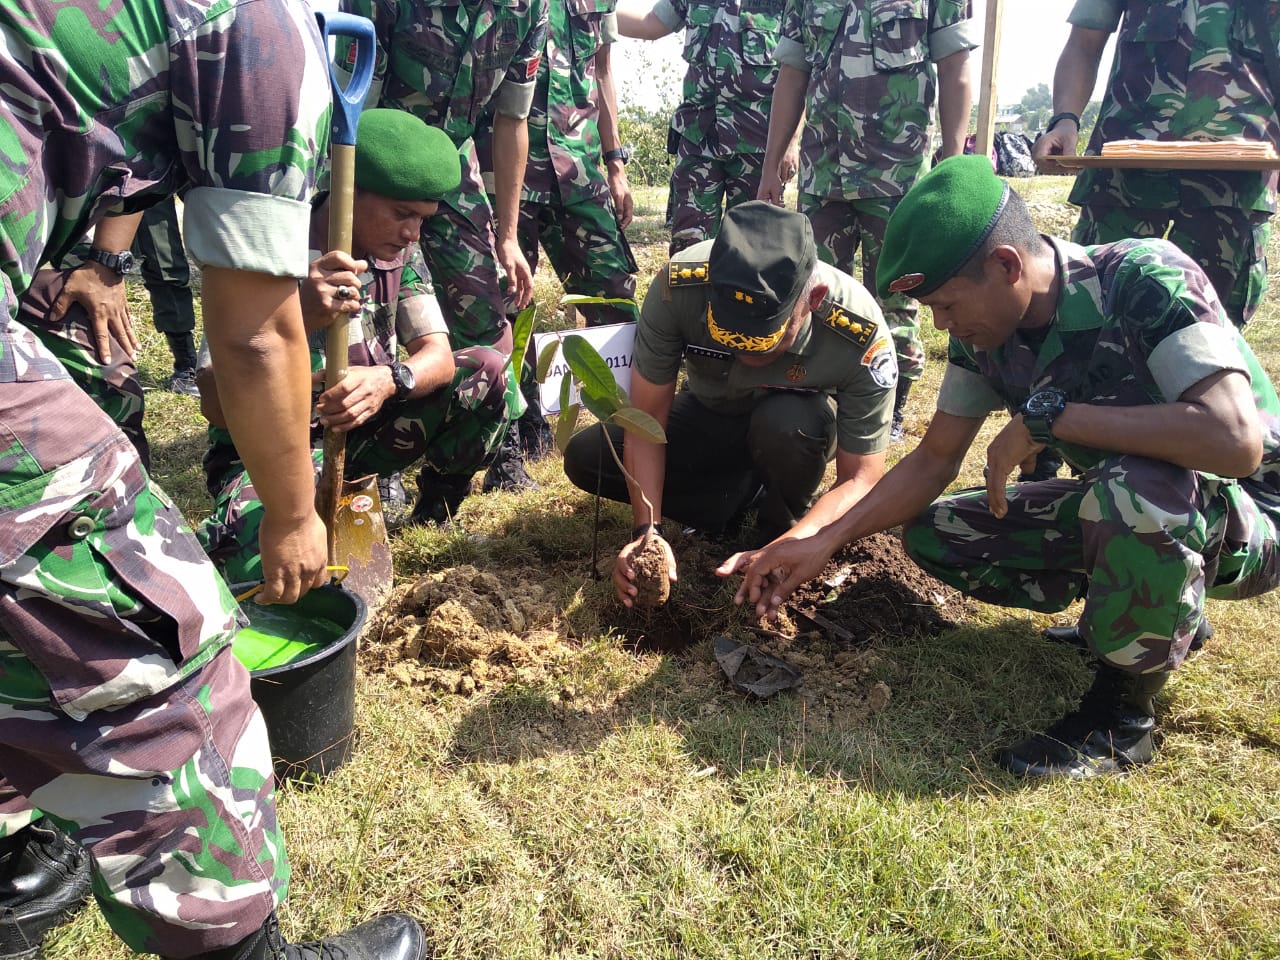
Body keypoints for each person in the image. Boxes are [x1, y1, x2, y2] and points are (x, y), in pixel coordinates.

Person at [0, 1, 426, 958]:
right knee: (157, 647)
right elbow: (250, 330)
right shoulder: (263, 30)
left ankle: (10, 869)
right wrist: (291, 514)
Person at [720, 156, 1280, 779]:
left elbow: (1234, 441)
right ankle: (1142, 611)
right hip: (1134, 498)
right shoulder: (983, 333)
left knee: (1133, 491)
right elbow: (934, 460)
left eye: (947, 305)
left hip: (1248, 512)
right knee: (940, 533)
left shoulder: (1146, 280)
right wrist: (823, 541)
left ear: (1008, 266)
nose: (941, 325)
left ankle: (1124, 717)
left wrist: (1052, 419)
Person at [198, 110, 508, 579]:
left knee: (483, 369)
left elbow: (439, 357)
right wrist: (298, 313)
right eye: (402, 214)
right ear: (349, 192)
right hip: (275, 446)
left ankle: (435, 513)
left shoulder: (398, 253)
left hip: (363, 429)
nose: (413, 233)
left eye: (423, 218)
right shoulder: (268, 249)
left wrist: (390, 379)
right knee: (253, 559)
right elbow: (216, 404)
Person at [563, 202, 898, 608]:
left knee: (787, 423)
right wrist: (646, 533)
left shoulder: (858, 332)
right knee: (588, 456)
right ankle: (734, 502)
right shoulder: (679, 289)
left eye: (766, 340)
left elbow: (860, 478)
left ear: (814, 298)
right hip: (710, 414)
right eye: (728, 335)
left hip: (792, 432)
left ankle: (777, 525)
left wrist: (794, 544)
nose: (745, 353)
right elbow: (647, 419)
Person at [337, 0, 549, 527]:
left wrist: (508, 234)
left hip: (451, 168)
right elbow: (350, 93)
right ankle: (374, 467)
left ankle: (467, 471)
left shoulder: (529, 10)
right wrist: (351, 198)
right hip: (376, 163)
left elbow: (511, 118)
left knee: (488, 326)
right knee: (356, 312)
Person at [758, 0, 978, 443]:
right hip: (822, 177)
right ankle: (819, 405)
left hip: (897, 176)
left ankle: (890, 409)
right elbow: (793, 75)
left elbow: (955, 68)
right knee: (813, 296)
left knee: (897, 297)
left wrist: (952, 163)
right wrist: (769, 166)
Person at [1031, 0, 1279, 330]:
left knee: (1212, 338)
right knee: (1090, 322)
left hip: (1237, 185)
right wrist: (1065, 119)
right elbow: (1083, 43)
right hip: (1123, 179)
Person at [476, 0, 641, 487]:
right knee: (507, 304)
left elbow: (603, 68)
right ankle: (514, 430)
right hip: (504, 169)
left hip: (581, 166)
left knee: (615, 294)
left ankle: (629, 426)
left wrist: (615, 162)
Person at [616, 0, 799, 254]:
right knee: (688, 249)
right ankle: (694, 296)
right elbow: (649, 24)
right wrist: (593, 9)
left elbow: (799, 67)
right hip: (698, 140)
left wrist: (791, 141)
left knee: (755, 252)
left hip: (759, 146)